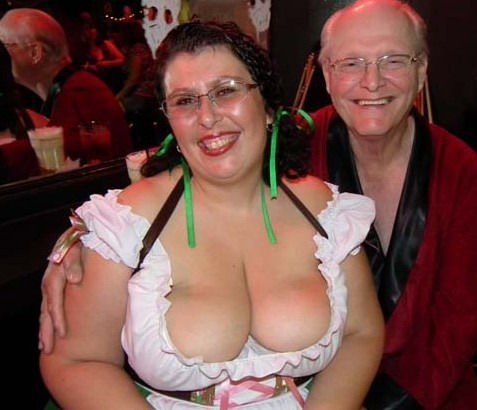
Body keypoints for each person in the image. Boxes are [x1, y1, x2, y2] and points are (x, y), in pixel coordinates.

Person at [39, 20, 384, 409]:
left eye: (226, 91)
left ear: (268, 107)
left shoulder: (324, 210)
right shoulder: (125, 224)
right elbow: (76, 361)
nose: (207, 117)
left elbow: (362, 333)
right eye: (185, 101)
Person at [310, 0, 477, 408]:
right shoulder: (291, 158)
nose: (372, 82)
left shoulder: (464, 171)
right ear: (327, 75)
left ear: (422, 71)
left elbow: (457, 325)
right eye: (351, 63)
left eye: (393, 61)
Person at [0, 8, 132, 164]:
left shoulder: (81, 93)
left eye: (4, 46)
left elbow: (63, 159)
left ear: (35, 53)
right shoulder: (71, 88)